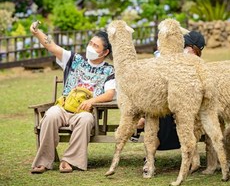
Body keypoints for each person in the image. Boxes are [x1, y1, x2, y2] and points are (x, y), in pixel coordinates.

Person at [30, 22, 116, 174]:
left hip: (85, 111)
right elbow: (51, 46)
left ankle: (69, 160)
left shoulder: (109, 70)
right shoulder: (74, 59)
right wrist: (37, 33)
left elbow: (110, 94)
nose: (90, 47)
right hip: (63, 108)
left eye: (96, 46)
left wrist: (91, 101)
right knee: (50, 115)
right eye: (90, 43)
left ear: (105, 52)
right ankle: (43, 161)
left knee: (85, 120)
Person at [130, 30, 206, 149]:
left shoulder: (197, 64)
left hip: (186, 106)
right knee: (159, 108)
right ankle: (150, 149)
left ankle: (144, 129)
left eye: (186, 46)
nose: (183, 49)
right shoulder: (170, 59)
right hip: (166, 102)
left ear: (194, 49)